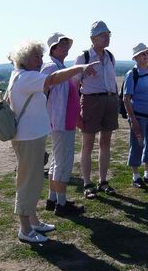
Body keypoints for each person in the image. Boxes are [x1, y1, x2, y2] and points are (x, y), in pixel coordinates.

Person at [7, 40, 99, 243]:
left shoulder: (21, 76)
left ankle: (33, 221)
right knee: (28, 182)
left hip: (31, 136)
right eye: (37, 57)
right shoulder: (26, 77)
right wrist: (80, 67)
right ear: (25, 59)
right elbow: (53, 78)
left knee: (33, 180)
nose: (41, 60)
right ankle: (25, 229)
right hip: (28, 138)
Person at [41, 32, 85, 216]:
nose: (67, 46)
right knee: (63, 161)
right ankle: (61, 203)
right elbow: (43, 87)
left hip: (61, 119)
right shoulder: (51, 67)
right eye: (63, 43)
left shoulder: (57, 65)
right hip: (60, 120)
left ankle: (52, 199)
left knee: (56, 160)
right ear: (54, 47)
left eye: (68, 43)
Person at [74, 21, 118, 198]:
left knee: (105, 142)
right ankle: (87, 183)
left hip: (109, 100)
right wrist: (76, 110)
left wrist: (116, 98)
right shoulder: (83, 57)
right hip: (91, 101)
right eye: (103, 35)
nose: (107, 37)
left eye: (108, 34)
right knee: (88, 144)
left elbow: (112, 80)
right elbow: (74, 84)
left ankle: (103, 181)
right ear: (93, 38)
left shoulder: (110, 56)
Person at [123, 43, 148, 188]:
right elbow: (126, 98)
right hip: (139, 115)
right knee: (137, 144)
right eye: (142, 54)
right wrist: (132, 119)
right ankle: (135, 176)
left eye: (147, 53)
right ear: (136, 58)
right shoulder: (132, 74)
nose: (146, 56)